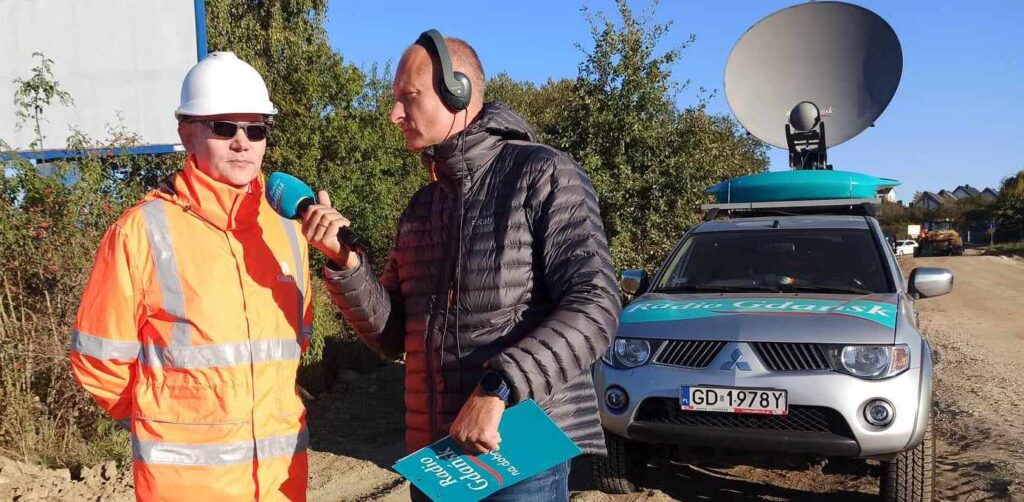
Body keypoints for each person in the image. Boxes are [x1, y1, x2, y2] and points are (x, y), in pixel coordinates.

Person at [303, 30, 620, 501]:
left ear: (459, 92)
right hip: (439, 464)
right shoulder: (421, 209)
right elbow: (393, 337)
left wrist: (499, 388)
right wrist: (347, 264)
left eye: (408, 97)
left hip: (518, 459)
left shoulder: (543, 174)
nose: (395, 115)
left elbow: (597, 305)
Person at [70, 52, 313, 501]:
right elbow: (98, 360)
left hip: (281, 486)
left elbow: (294, 345)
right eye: (224, 127)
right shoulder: (142, 231)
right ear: (187, 133)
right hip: (186, 489)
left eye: (255, 129)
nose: (243, 142)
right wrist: (160, 417)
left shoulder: (287, 230)